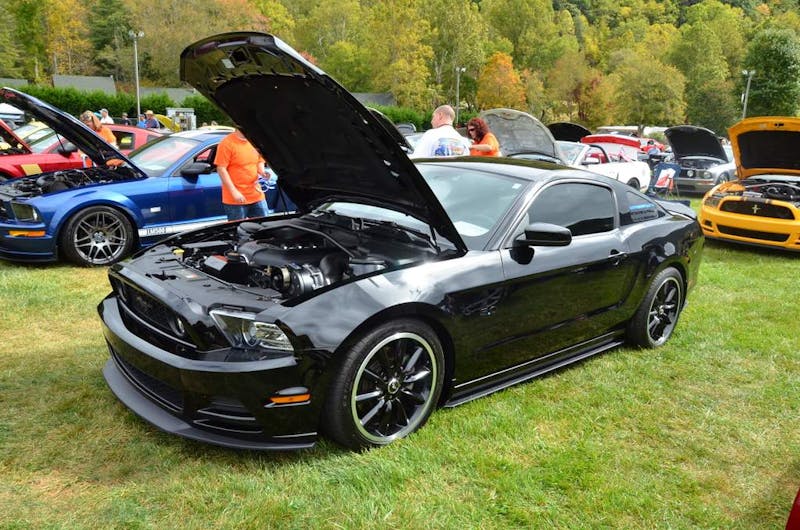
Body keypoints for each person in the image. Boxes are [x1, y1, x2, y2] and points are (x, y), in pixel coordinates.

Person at [213, 128, 270, 221]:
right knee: (238, 229)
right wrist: (234, 192)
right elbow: (221, 169)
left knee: (264, 225)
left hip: (256, 195)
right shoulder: (227, 143)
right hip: (235, 198)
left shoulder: (254, 142)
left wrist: (263, 173)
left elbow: (259, 161)